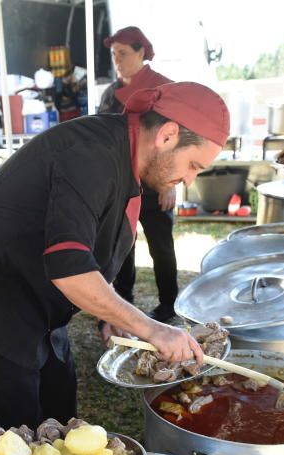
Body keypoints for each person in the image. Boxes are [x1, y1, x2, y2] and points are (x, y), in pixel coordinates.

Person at [0, 82, 229, 429]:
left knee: (60, 403)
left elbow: (94, 243)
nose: (189, 179)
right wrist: (152, 329)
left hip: (36, 291)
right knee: (19, 426)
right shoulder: (91, 153)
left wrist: (109, 310)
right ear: (168, 135)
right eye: (193, 165)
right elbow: (70, 268)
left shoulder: (124, 155)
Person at [99, 26, 179, 324]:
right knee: (122, 247)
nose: (117, 60)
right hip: (123, 183)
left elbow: (175, 140)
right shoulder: (110, 93)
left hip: (156, 183)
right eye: (113, 54)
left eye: (122, 53)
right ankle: (123, 305)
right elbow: (104, 137)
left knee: (161, 245)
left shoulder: (164, 89)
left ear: (141, 53)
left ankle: (169, 305)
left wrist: (169, 182)